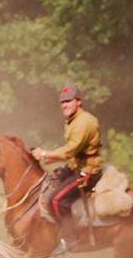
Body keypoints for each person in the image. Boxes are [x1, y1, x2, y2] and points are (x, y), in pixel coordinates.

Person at [30, 84, 103, 238]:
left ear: (79, 101)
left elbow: (71, 149)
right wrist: (50, 158)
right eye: (63, 102)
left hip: (87, 171)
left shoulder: (84, 122)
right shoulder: (73, 120)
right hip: (75, 166)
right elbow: (72, 151)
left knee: (56, 200)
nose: (65, 105)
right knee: (47, 184)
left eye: (69, 101)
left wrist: (44, 154)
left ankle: (71, 237)